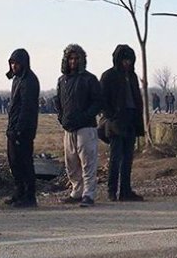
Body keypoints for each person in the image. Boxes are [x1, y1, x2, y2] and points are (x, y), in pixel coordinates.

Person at [53, 44, 103, 208]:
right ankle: (77, 191)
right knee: (71, 163)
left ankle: (88, 194)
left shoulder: (90, 79)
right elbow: (59, 102)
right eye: (70, 59)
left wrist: (85, 116)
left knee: (88, 162)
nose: (73, 62)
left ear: (81, 60)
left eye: (76, 58)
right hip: (68, 127)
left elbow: (98, 102)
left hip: (86, 127)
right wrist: (61, 118)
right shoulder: (62, 81)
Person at [100, 44, 145, 202]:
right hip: (115, 122)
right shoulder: (108, 76)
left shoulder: (132, 76)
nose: (127, 63)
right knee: (115, 157)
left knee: (128, 158)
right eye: (124, 60)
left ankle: (125, 190)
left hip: (131, 120)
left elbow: (137, 98)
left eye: (129, 60)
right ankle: (111, 191)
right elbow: (102, 99)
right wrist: (111, 116)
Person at [4, 49, 40, 208]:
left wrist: (19, 129)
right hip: (13, 128)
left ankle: (29, 195)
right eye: (12, 63)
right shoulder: (17, 79)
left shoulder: (29, 80)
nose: (14, 66)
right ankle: (19, 192)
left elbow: (27, 108)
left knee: (25, 162)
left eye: (17, 63)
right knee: (14, 162)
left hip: (24, 130)